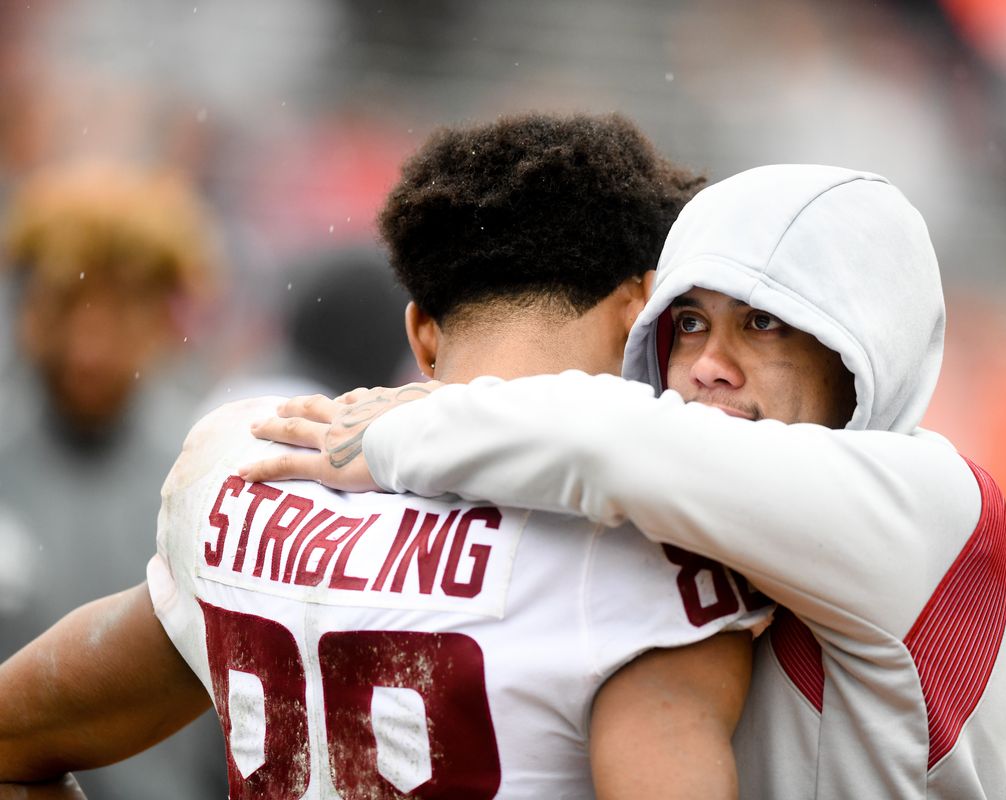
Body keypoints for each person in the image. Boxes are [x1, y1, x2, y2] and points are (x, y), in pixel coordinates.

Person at [0, 112, 768, 799]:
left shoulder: (250, 473)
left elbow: (13, 740)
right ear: (642, 308)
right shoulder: (647, 546)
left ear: (423, 334)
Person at [245, 163, 1006, 798]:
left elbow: (610, 443)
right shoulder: (693, 510)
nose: (706, 369)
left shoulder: (932, 503)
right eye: (687, 322)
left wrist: (399, 431)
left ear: (866, 347)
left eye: (764, 322)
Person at [0, 160, 228, 800]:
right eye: (66, 305)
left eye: (118, 310)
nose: (88, 345)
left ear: (163, 315)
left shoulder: (210, 479)